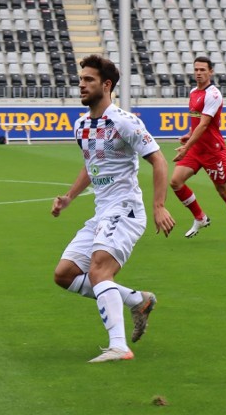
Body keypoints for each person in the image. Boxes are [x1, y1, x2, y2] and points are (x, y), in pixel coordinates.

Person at [51, 54, 176, 363]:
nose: (81, 85)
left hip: (126, 209)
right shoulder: (81, 124)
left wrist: (159, 205)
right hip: (101, 211)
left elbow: (158, 159)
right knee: (64, 274)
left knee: (99, 270)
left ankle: (119, 347)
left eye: (88, 80)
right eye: (81, 80)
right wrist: (69, 197)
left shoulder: (124, 121)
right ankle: (138, 300)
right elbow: (90, 164)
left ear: (106, 85)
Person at [170, 56, 226, 243]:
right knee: (176, 182)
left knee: (223, 191)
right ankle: (200, 217)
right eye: (196, 69)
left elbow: (205, 125)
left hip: (213, 151)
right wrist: (189, 135)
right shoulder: (193, 92)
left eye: (202, 70)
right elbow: (197, 122)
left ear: (211, 72)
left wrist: (186, 147)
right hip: (196, 148)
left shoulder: (213, 95)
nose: (198, 73)